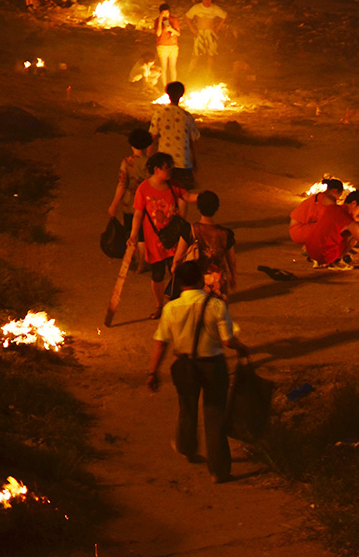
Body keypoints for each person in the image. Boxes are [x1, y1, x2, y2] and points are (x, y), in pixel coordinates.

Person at [146, 261, 250, 485]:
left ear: (180, 283)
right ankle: (219, 471)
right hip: (213, 366)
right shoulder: (216, 305)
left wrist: (152, 372)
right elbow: (227, 340)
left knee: (187, 408)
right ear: (201, 279)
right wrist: (242, 347)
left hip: (185, 366)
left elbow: (161, 343)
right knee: (215, 417)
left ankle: (187, 448)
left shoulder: (171, 308)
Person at [127, 153, 198, 320]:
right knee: (157, 275)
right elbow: (137, 214)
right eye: (168, 167)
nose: (170, 170)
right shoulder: (143, 189)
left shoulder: (174, 185)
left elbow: (187, 196)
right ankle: (159, 305)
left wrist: (202, 198)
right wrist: (133, 235)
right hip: (155, 242)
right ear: (157, 169)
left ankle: (179, 305)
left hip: (174, 240)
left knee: (177, 273)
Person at [304, 190, 359, 270]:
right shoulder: (349, 222)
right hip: (322, 255)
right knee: (353, 236)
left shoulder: (332, 208)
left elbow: (346, 218)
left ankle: (321, 260)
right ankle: (336, 261)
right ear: (354, 203)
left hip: (310, 250)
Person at [172, 191, 237, 301]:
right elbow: (231, 259)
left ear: (198, 207)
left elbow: (179, 256)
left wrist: (175, 268)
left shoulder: (190, 230)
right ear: (216, 208)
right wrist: (233, 276)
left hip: (195, 281)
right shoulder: (226, 234)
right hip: (218, 282)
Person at [107, 129, 153, 270]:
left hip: (129, 203)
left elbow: (122, 184)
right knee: (143, 234)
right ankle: (142, 262)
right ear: (147, 145)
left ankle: (132, 259)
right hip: (146, 202)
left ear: (131, 145)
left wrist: (114, 204)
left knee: (131, 230)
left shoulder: (126, 162)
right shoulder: (151, 163)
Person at [149, 81, 200, 190]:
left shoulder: (159, 114)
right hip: (184, 163)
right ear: (181, 94)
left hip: (164, 164)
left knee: (165, 194)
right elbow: (192, 142)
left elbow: (152, 139)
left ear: (167, 94)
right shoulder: (187, 116)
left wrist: (148, 161)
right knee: (182, 196)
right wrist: (194, 161)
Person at [185, 0, 227, 80]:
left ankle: (208, 74)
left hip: (210, 33)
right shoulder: (197, 8)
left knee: (211, 55)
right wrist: (192, 28)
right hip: (200, 33)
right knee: (195, 54)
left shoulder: (214, 8)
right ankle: (189, 74)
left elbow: (224, 15)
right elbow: (187, 17)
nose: (208, 1)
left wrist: (218, 28)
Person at [289, 178, 344, 246]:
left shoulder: (319, 196)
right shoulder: (326, 200)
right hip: (299, 230)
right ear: (335, 191)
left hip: (296, 230)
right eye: (339, 196)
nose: (338, 199)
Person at [155, 3, 181, 90]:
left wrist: (170, 29)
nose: (166, 15)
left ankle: (173, 86)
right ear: (160, 13)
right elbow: (158, 33)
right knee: (164, 67)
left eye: (167, 13)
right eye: (163, 13)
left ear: (169, 12)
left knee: (172, 67)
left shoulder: (174, 19)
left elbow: (178, 34)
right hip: (162, 46)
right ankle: (165, 87)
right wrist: (160, 21)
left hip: (173, 46)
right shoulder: (157, 20)